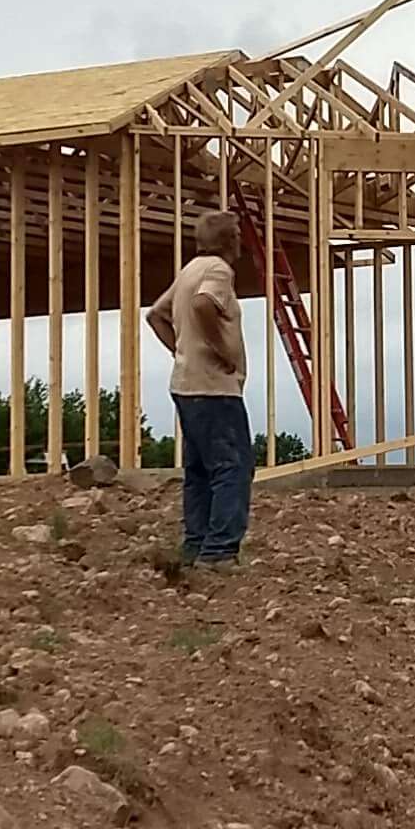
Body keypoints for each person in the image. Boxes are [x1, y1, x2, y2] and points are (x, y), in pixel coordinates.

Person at [151, 206, 252, 568]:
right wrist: (221, 350)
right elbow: (203, 304)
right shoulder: (218, 270)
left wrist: (182, 351)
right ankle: (220, 551)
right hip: (214, 388)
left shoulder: (189, 270)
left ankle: (195, 546)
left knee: (198, 471)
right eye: (237, 236)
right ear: (230, 241)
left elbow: (156, 315)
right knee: (232, 467)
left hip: (186, 384)